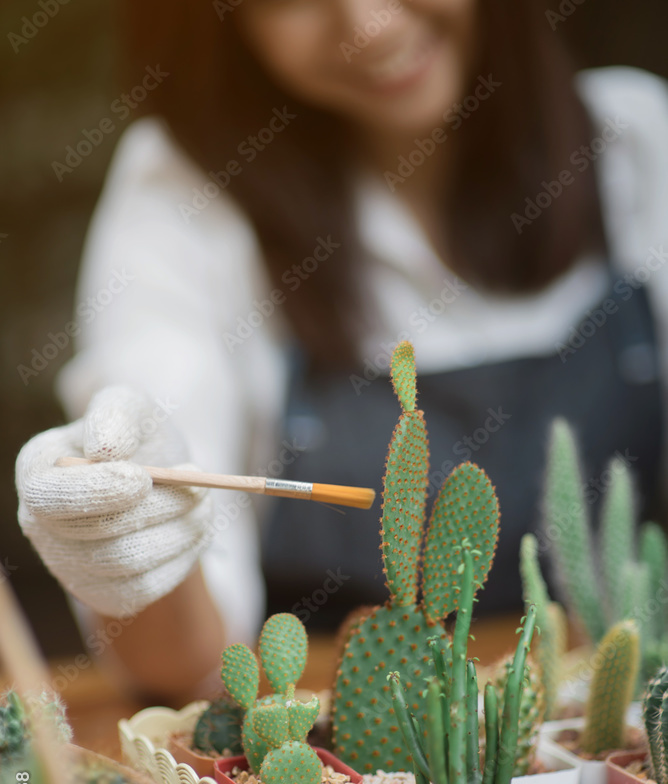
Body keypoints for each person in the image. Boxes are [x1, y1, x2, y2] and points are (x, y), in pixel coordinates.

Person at [16, 0, 668, 702]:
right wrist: (125, 546)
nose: (369, 26)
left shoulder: (634, 140)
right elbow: (181, 664)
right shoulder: (187, 187)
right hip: (340, 766)